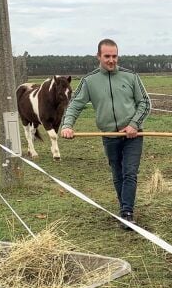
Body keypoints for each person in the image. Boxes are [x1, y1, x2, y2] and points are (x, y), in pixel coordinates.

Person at [60, 39, 151, 228]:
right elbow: (75, 105)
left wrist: (134, 125)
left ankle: (127, 213)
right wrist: (67, 125)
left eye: (114, 56)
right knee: (117, 173)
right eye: (107, 56)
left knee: (130, 172)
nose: (111, 60)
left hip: (133, 135)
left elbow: (145, 103)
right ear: (99, 56)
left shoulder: (131, 76)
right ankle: (124, 208)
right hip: (109, 136)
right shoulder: (89, 81)